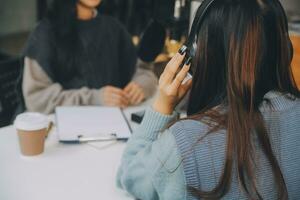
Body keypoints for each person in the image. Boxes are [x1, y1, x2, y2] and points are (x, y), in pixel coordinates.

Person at [117, 0, 300, 199]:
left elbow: (130, 176)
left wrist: (162, 106)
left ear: (196, 57)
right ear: (285, 50)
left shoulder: (184, 144)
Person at [22, 0, 157, 114]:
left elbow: (144, 71)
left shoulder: (113, 28)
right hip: (61, 131)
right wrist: (94, 99)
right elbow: (37, 99)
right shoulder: (44, 34)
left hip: (111, 127)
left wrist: (142, 85)